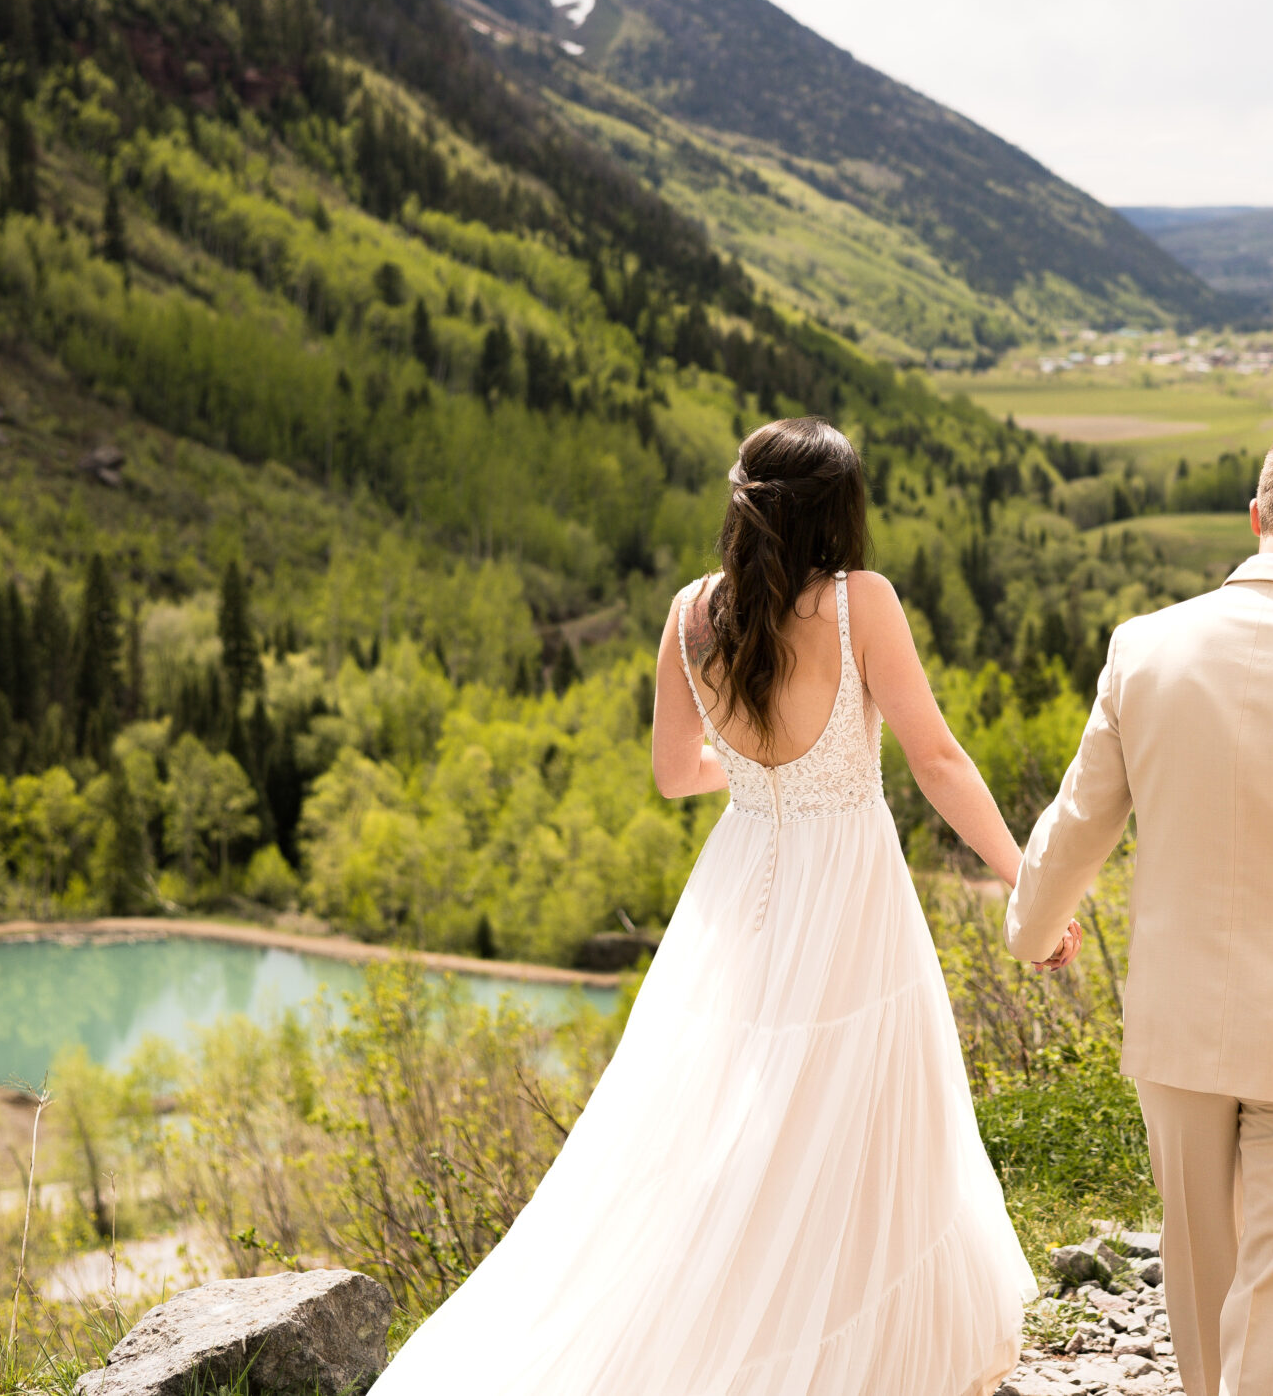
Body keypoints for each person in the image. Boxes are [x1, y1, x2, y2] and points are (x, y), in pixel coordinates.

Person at [374, 416, 1066, 1396]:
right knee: (856, 1108)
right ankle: (857, 1351)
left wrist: (755, 772)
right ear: (837, 513)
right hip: (847, 881)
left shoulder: (691, 612)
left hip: (740, 872)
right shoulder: (857, 602)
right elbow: (937, 760)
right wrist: (1021, 876)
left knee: (725, 1114)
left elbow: (669, 773)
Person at [1006, 420, 1273, 1396]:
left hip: (1178, 1027)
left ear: (1256, 517)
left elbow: (1079, 818)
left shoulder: (1143, 649)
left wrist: (1032, 930)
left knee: (1202, 1314)